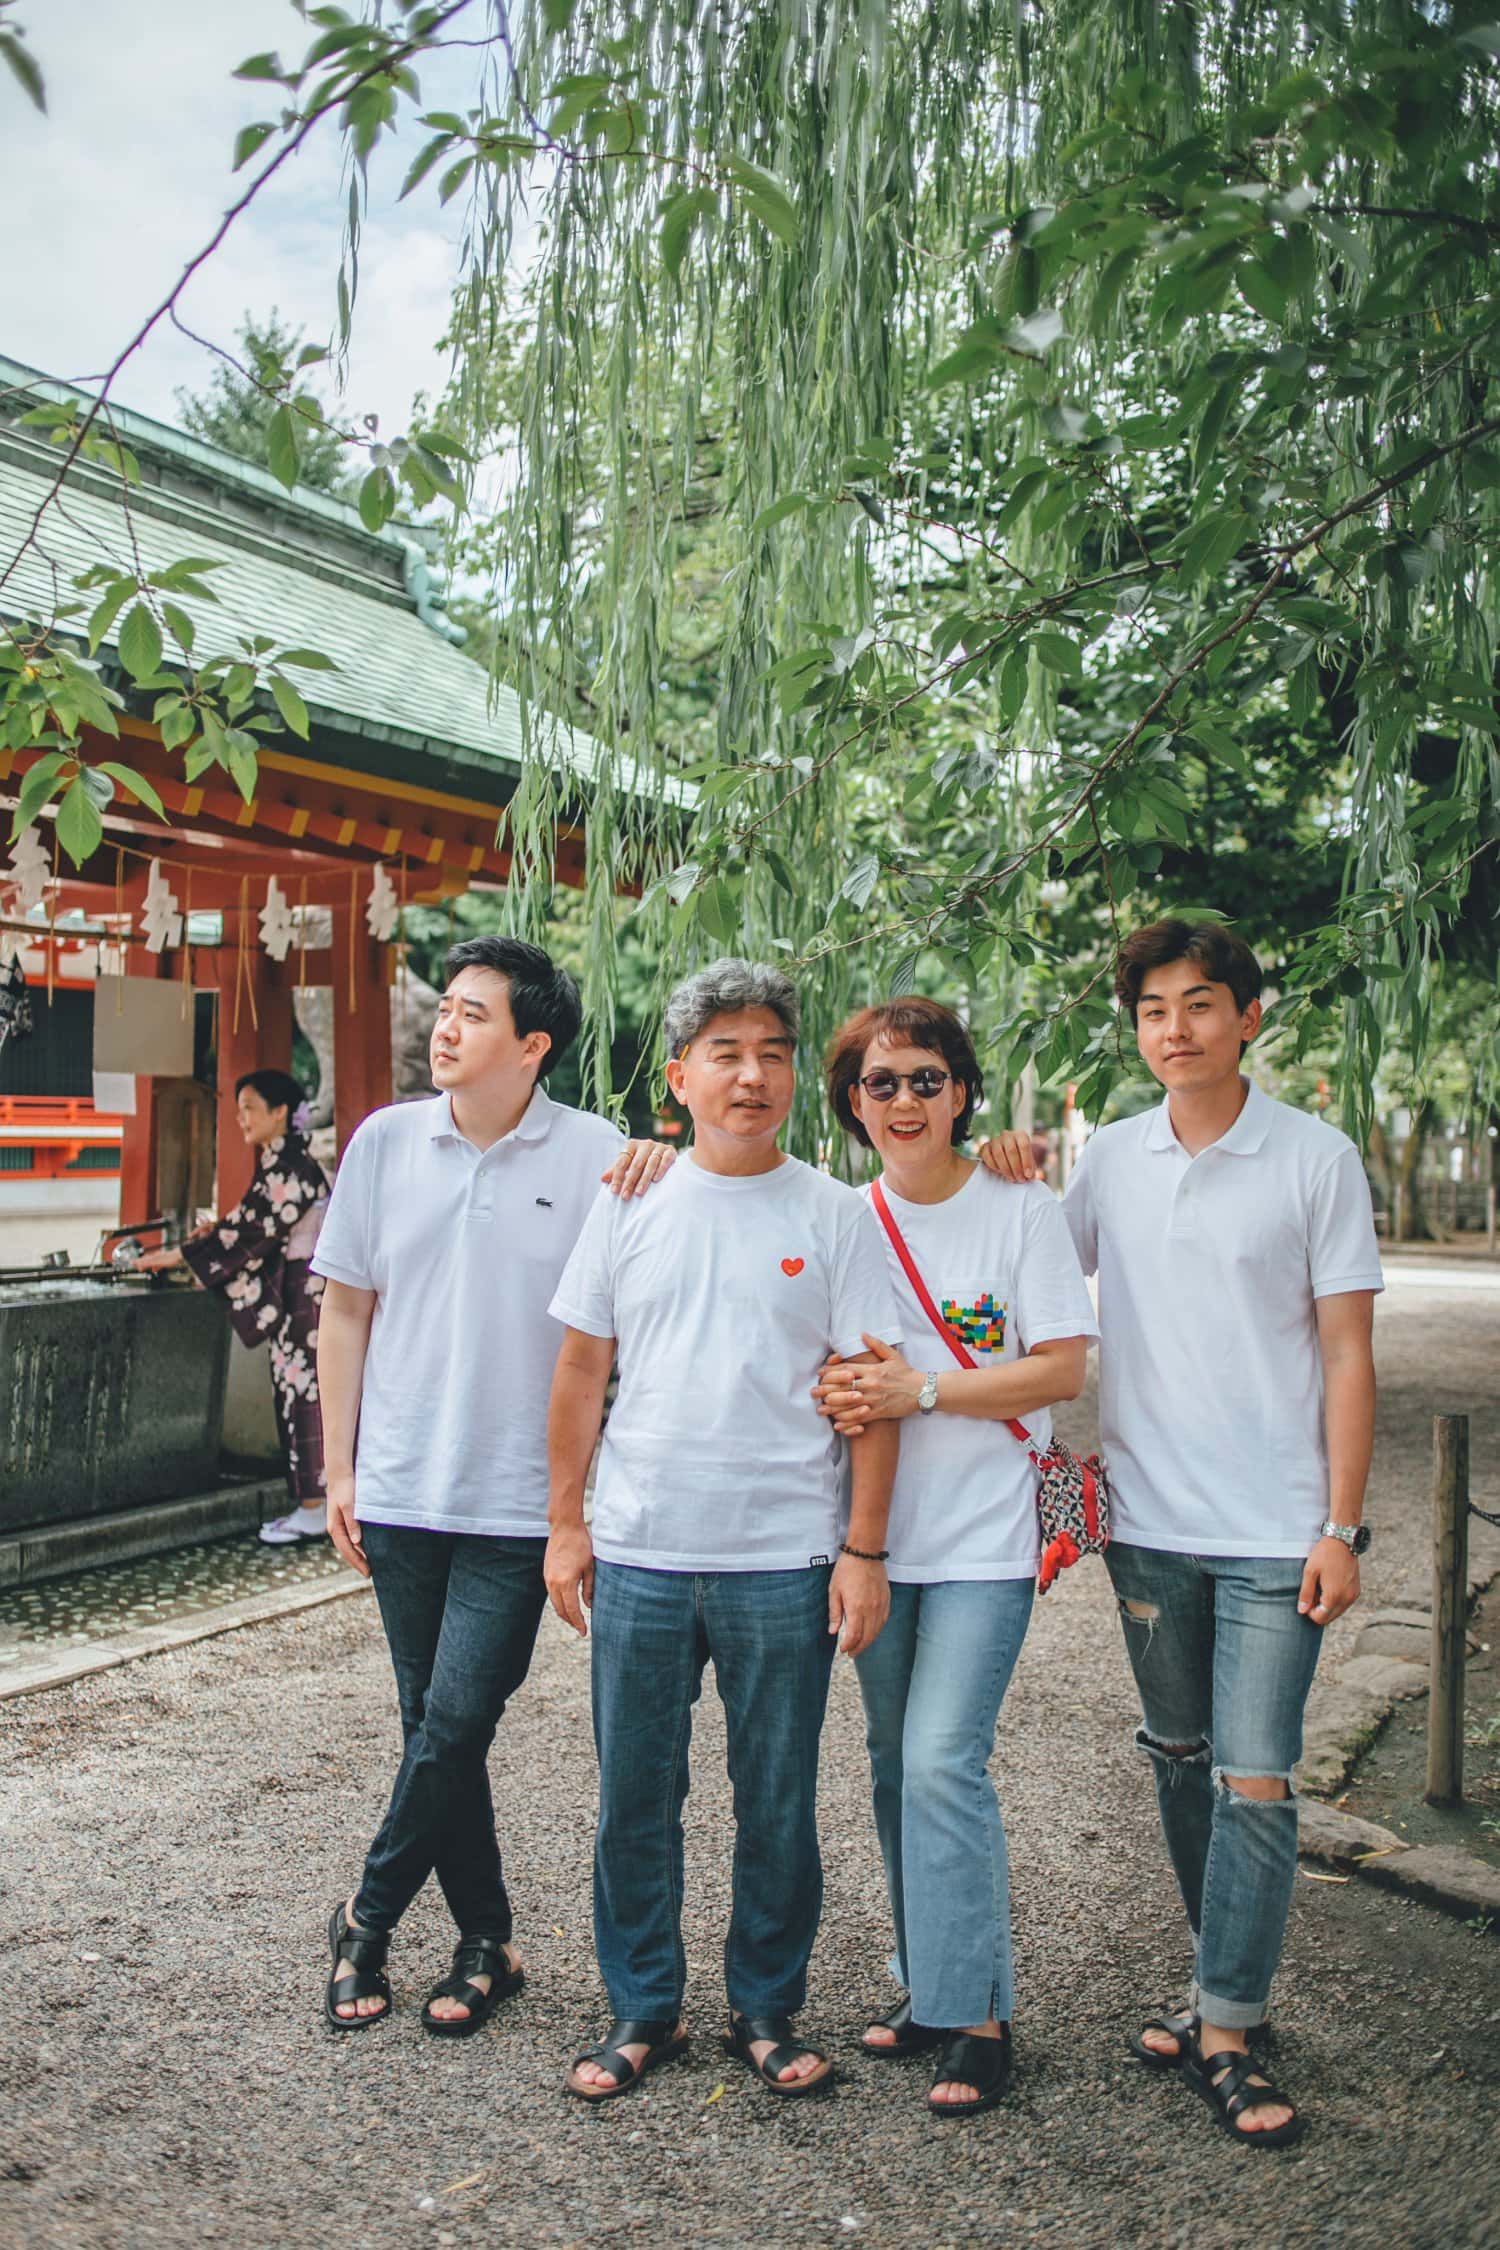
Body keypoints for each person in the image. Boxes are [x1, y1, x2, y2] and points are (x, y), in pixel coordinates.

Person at [981, 919, 1382, 2148]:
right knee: (1179, 1753)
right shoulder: (1111, 1158)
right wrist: (999, 1170)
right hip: (1150, 1525)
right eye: (1155, 1011)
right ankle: (1230, 1982)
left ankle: (1224, 2031)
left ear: (1249, 1016)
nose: (1176, 1030)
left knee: (1256, 1781)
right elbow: (1033, 1275)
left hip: (1275, 1528)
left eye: (1201, 1005)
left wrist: (1342, 1526)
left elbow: (1348, 1351)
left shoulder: (1316, 1159)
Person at [545, 958, 902, 2103]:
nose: (753, 1076)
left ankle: (764, 2004)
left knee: (778, 1800)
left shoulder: (833, 1212)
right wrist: (566, 1524)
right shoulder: (630, 1196)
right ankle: (643, 2006)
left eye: (774, 1053)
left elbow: (872, 1385)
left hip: (784, 1558)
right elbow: (580, 1369)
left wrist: (863, 1548)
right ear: (681, 1076)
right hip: (644, 1547)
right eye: (727, 1054)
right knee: (634, 1798)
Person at [310, 935, 672, 2036]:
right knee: (433, 1722)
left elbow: (647, 1297)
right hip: (404, 1487)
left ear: (534, 1044)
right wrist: (339, 1465)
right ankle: (485, 1941)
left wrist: (666, 1157)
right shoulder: (384, 1142)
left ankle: (365, 1920)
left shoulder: (599, 1155)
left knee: (461, 1710)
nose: (446, 1028)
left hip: (522, 1502)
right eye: (448, 1010)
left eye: (473, 1014)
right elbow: (345, 1307)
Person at [811, 998, 1096, 2118]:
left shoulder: (1019, 1210)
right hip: (876, 1541)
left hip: (986, 1536)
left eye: (926, 1079)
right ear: (851, 1105)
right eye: (879, 1084)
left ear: (964, 1092)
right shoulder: (842, 1219)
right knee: (892, 1764)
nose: (904, 1101)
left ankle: (978, 2012)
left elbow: (1061, 1369)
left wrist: (921, 1388)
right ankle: (929, 1984)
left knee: (942, 1759)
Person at [138, 1068, 330, 1547]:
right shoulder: (280, 1162)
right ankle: (313, 1504)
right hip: (299, 1292)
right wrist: (207, 1237)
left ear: (280, 1112)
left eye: (249, 1108)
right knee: (298, 1392)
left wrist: (180, 1253)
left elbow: (250, 1233)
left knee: (306, 1395)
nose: (241, 1118)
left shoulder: (293, 1168)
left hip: (307, 1296)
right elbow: (246, 1222)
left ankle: (316, 1508)